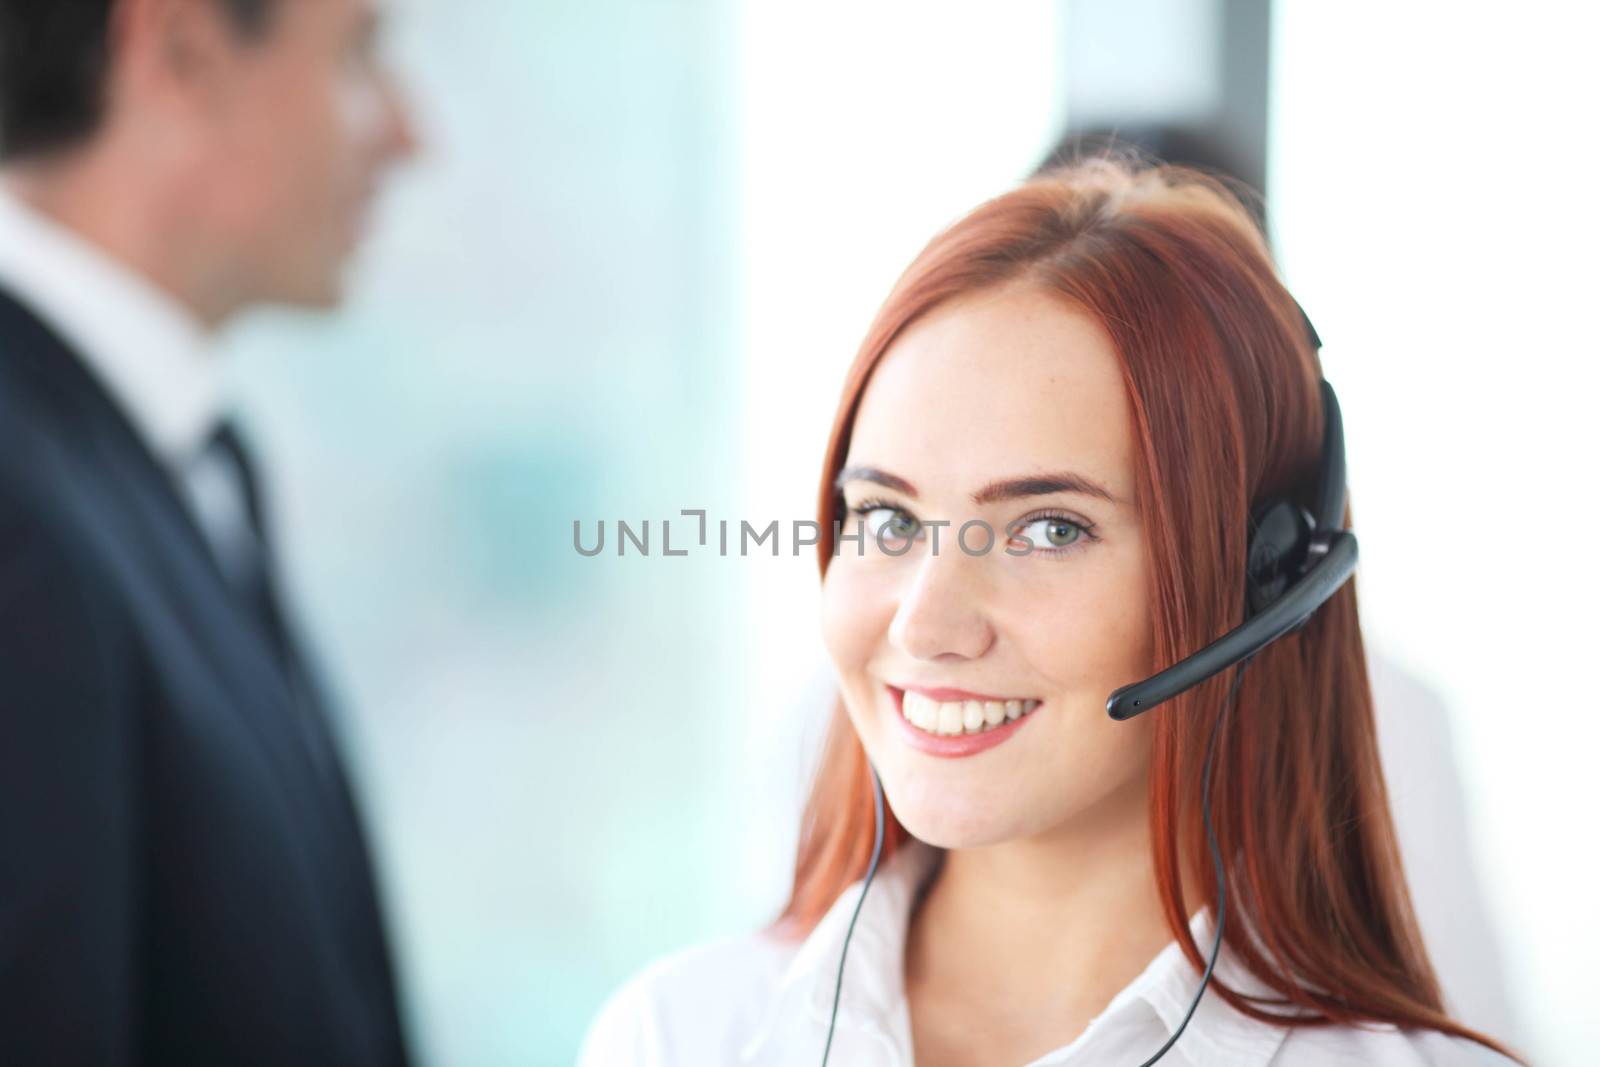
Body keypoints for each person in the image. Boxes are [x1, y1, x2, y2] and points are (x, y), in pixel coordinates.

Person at [577, 159, 1521, 1065]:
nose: (926, 624)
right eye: (888, 516)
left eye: (1048, 529)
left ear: (1259, 580)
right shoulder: (674, 1036)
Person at [0, 0, 416, 1063]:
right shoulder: (23, 509)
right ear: (177, 50)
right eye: (361, 54)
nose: (411, 132)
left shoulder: (137, 458)